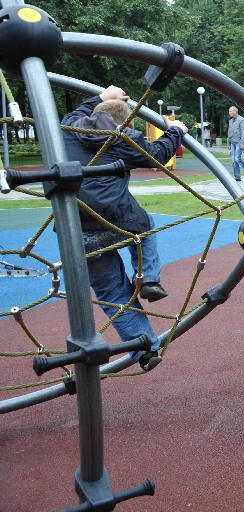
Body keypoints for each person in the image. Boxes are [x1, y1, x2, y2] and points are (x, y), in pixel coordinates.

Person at [62, 86, 187, 370]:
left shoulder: (68, 128)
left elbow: (76, 112)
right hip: (119, 222)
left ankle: (145, 350)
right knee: (145, 227)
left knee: (112, 294)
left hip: (79, 233)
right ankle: (148, 278)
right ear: (124, 123)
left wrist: (100, 98)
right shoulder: (120, 138)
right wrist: (175, 130)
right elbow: (158, 153)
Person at [227, 106, 244, 182]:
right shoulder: (231, 121)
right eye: (229, 111)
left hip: (239, 142)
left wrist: (242, 142)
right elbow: (230, 132)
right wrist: (228, 143)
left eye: (230, 111)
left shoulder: (241, 120)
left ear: (235, 112)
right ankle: (237, 177)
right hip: (233, 143)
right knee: (234, 160)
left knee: (237, 159)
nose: (229, 113)